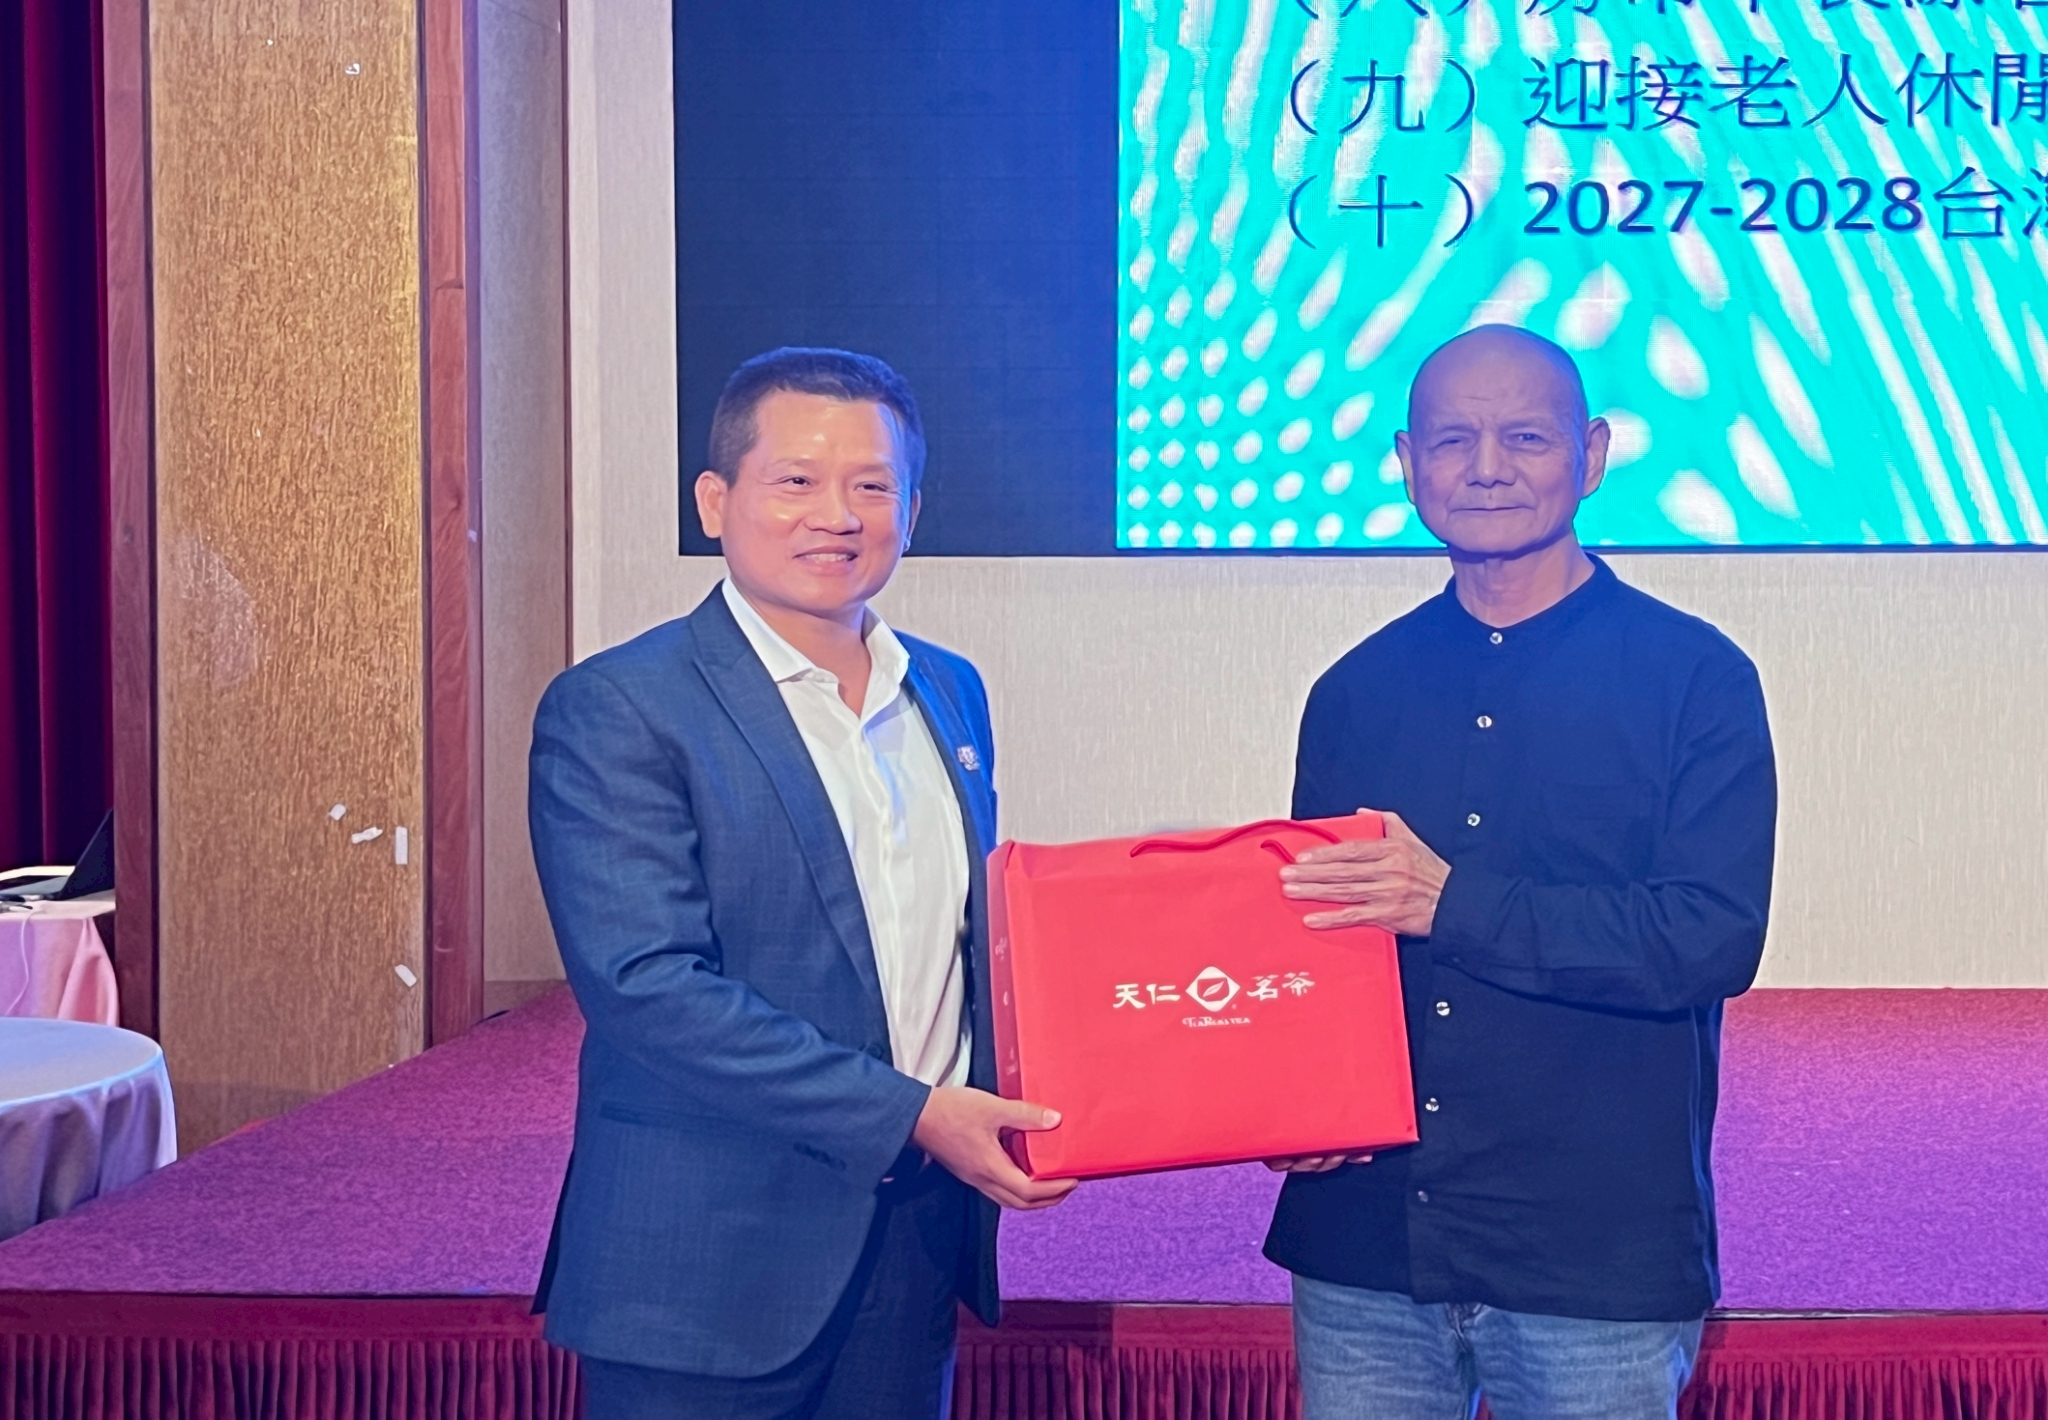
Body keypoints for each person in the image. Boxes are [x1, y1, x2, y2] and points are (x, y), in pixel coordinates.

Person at [527, 347, 1075, 1420]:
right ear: (715, 500)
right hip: (703, 1267)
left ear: (912, 511)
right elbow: (646, 985)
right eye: (796, 480)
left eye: (872, 485)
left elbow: (965, 948)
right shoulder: (620, 706)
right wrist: (912, 1114)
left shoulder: (947, 689)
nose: (837, 515)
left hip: (911, 1244)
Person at [1262, 326, 1777, 1419]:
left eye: (1526, 438)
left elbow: (1708, 938)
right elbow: (1317, 948)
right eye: (1453, 440)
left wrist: (1453, 902)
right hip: (1365, 1245)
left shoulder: (1696, 678)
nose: (1486, 467)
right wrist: (1288, 1098)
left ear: (1591, 455)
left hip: (1591, 1254)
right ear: (1407, 464)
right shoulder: (1353, 690)